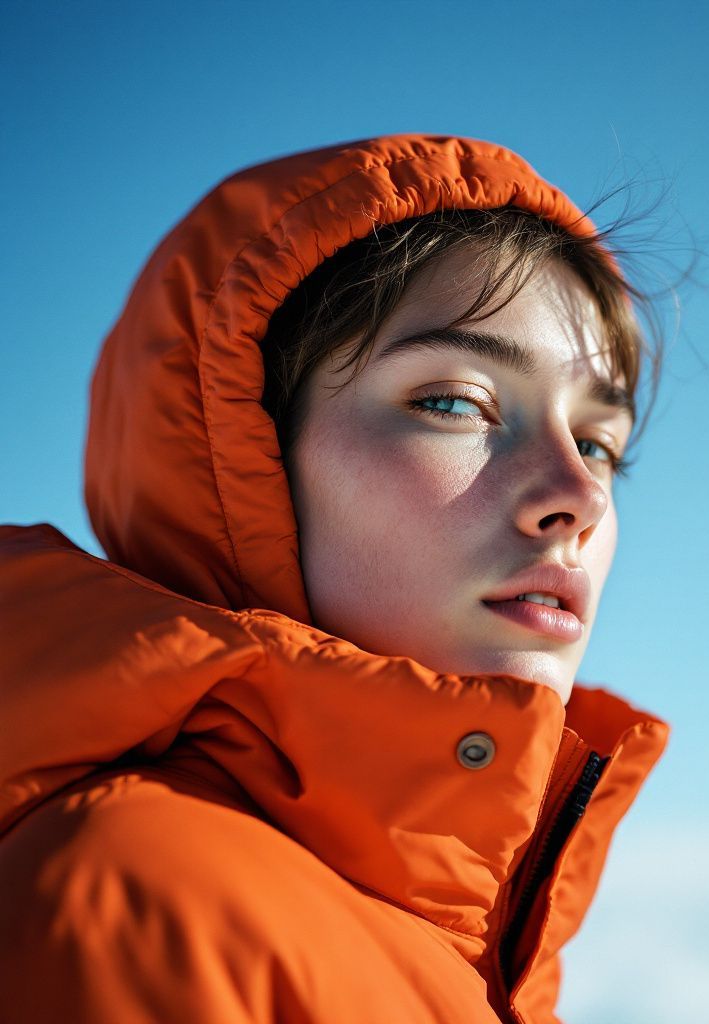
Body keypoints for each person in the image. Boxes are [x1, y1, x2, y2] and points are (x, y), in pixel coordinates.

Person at [0, 134, 670, 1023]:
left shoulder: (478, 942)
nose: (577, 496)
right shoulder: (146, 900)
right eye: (454, 403)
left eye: (598, 444)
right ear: (238, 463)